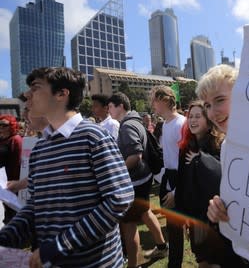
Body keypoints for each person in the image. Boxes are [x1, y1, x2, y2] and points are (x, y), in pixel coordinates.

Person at [0, 67, 134, 268]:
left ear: (62, 94)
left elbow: (119, 199)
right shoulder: (40, 149)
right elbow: (36, 206)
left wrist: (60, 244)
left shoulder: (94, 137)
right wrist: (6, 238)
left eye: (35, 88)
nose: (27, 95)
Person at [196, 64, 249, 267]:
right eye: (207, 105)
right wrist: (218, 206)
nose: (212, 113)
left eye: (219, 100)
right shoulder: (228, 146)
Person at [108, 92, 168, 268]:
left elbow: (135, 155)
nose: (108, 110)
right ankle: (162, 246)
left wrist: (118, 172)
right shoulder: (136, 121)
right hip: (144, 178)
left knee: (128, 225)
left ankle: (133, 265)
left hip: (135, 181)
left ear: (120, 106)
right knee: (145, 213)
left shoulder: (127, 127)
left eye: (111, 106)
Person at [176, 100, 230, 267]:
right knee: (202, 260)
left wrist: (201, 160)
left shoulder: (220, 145)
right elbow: (183, 185)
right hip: (196, 218)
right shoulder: (186, 148)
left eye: (198, 116)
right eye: (190, 116)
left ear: (208, 120)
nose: (192, 120)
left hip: (216, 218)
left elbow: (222, 177)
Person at [149, 85, 186, 268]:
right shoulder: (164, 124)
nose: (151, 104)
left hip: (179, 180)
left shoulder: (181, 123)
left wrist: (177, 190)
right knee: (173, 226)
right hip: (168, 178)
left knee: (179, 227)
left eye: (153, 100)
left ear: (164, 100)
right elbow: (168, 155)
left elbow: (188, 161)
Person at [0, 114, 22, 224]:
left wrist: (17, 184)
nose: (1, 127)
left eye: (4, 125)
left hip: (13, 183)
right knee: (8, 214)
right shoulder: (2, 140)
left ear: (12, 126)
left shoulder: (15, 140)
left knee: (14, 216)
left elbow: (18, 163)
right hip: (3, 184)